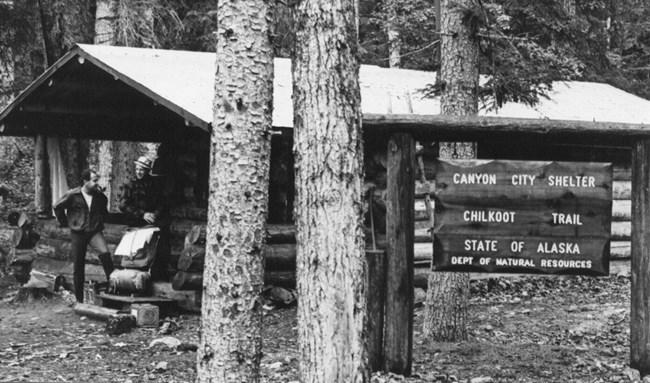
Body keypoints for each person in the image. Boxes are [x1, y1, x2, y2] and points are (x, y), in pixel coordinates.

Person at [53, 169, 114, 303]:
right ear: (85, 181)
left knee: (106, 255)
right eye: (94, 180)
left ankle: (114, 289)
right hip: (78, 233)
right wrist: (64, 222)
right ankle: (79, 299)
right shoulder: (72, 195)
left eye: (97, 180)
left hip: (94, 232)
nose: (97, 183)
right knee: (78, 265)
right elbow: (57, 206)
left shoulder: (99, 196)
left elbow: (104, 212)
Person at [119, 156, 170, 280]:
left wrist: (154, 214)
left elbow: (161, 202)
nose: (138, 172)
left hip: (151, 224)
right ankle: (133, 278)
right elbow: (123, 205)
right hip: (135, 223)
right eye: (137, 169)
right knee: (134, 253)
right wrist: (142, 214)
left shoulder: (155, 185)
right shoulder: (130, 185)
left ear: (147, 171)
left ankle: (154, 277)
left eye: (142, 170)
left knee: (155, 250)